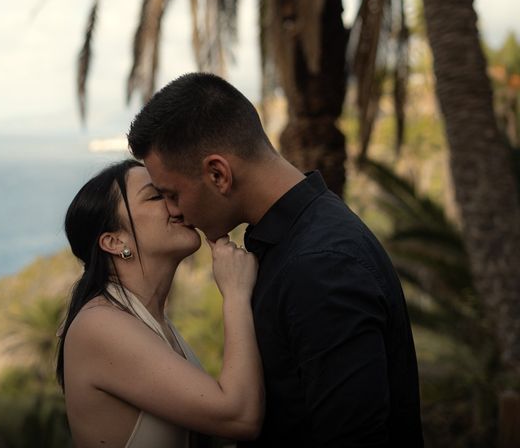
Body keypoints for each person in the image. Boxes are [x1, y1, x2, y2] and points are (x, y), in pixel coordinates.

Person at [127, 73, 424, 447]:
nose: (174, 212)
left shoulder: (320, 265)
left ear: (218, 174)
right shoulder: (297, 243)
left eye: (171, 194)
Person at [56, 159, 264, 448]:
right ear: (114, 242)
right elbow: (239, 417)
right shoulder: (98, 325)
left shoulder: (152, 322)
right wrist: (236, 295)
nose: (176, 204)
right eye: (157, 196)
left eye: (172, 192)